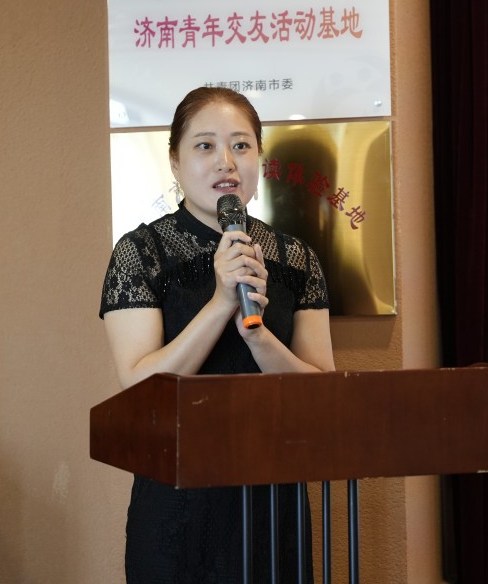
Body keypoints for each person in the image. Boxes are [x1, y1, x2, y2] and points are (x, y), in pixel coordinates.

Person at [99, 86, 335, 583]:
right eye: (205, 145)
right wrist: (221, 302)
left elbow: (323, 393)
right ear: (175, 161)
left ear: (259, 158)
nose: (226, 161)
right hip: (177, 501)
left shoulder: (295, 257)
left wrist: (257, 335)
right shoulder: (140, 253)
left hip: (273, 499)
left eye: (241, 145)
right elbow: (139, 387)